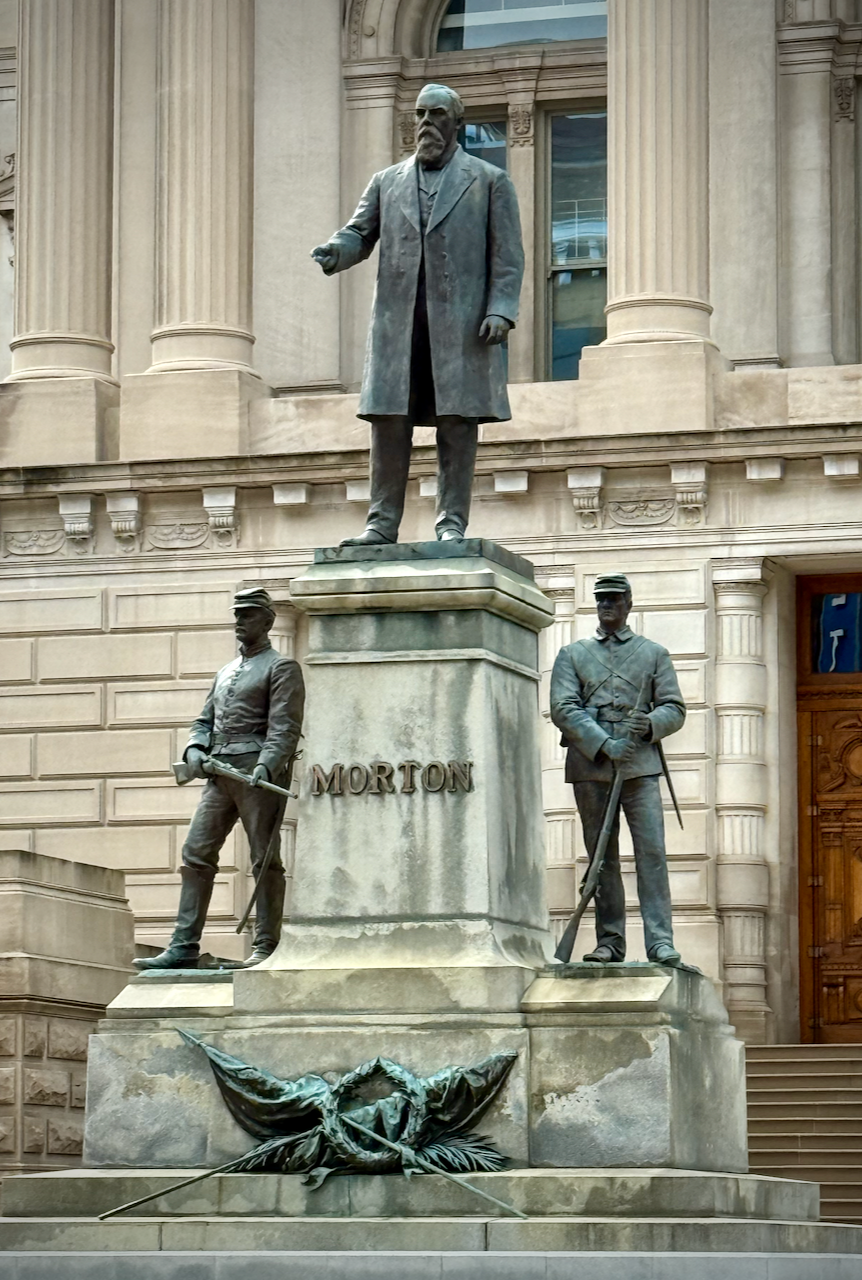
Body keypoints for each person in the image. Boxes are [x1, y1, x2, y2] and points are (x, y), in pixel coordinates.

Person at [312, 82, 523, 545]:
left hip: (462, 326)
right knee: (389, 421)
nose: (426, 123)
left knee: (457, 423)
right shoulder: (387, 181)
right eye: (420, 114)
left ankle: (451, 523)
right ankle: (381, 523)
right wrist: (336, 250)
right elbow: (359, 233)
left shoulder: (489, 180)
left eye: (437, 114)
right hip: (399, 325)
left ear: (457, 123)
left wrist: (501, 309)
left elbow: (507, 254)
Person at [133, 587, 305, 971]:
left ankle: (266, 945)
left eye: (247, 615)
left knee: (264, 859)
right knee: (196, 853)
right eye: (237, 614)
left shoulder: (281, 667)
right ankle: (183, 946)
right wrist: (194, 749)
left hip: (255, 773)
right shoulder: (226, 671)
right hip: (218, 773)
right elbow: (203, 721)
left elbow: (284, 727)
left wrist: (267, 765)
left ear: (267, 621)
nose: (239, 621)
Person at [549, 574, 687, 966]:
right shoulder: (572, 655)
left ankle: (660, 941)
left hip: (640, 767)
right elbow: (563, 708)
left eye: (614, 599)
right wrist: (605, 744)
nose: (607, 605)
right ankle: (609, 942)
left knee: (651, 854)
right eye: (601, 599)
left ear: (628, 603)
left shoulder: (653, 653)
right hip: (591, 766)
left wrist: (651, 723)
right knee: (601, 859)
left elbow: (675, 707)